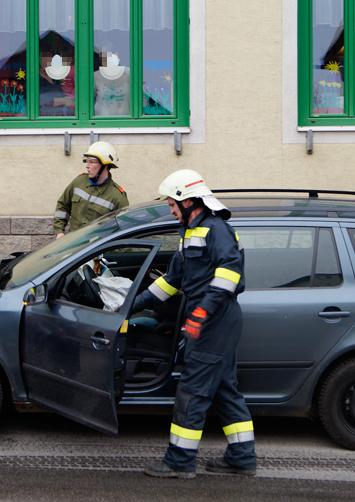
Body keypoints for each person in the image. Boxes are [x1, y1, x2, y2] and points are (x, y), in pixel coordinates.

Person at [133, 169, 256, 480]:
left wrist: (202, 312)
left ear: (188, 201)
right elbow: (173, 279)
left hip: (215, 319)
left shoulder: (218, 229)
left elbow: (230, 273)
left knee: (191, 390)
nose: (171, 210)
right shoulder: (190, 232)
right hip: (213, 318)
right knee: (224, 389)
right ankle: (242, 457)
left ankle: (179, 461)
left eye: (172, 205)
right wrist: (133, 304)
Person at [53, 141, 128, 238]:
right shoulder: (79, 182)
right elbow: (63, 206)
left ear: (105, 165)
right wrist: (59, 231)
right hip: (72, 243)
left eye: (91, 162)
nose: (87, 165)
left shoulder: (117, 197)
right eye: (86, 161)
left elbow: (123, 230)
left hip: (94, 247)